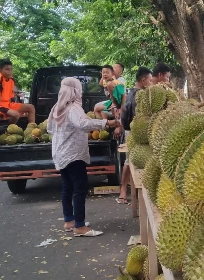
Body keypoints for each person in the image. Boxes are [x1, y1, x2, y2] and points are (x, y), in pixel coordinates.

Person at [47, 77, 120, 237]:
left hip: (60, 153)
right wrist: (105, 123)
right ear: (75, 91)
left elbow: (49, 128)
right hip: (73, 154)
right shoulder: (73, 108)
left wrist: (65, 134)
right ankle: (79, 226)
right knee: (79, 188)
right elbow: (83, 124)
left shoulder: (57, 108)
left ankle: (69, 221)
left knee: (67, 187)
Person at [116, 66, 153, 204]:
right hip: (135, 132)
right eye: (150, 80)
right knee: (130, 161)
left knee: (129, 160)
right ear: (143, 80)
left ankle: (124, 192)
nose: (151, 83)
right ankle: (123, 192)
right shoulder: (140, 95)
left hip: (130, 131)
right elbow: (141, 118)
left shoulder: (131, 92)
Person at [0, 59, 36, 123]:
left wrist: (20, 108)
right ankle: (8, 131)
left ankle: (32, 128)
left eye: (11, 69)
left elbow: (11, 96)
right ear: (0, 70)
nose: (10, 71)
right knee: (16, 114)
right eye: (7, 69)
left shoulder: (11, 79)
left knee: (31, 107)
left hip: (8, 104)